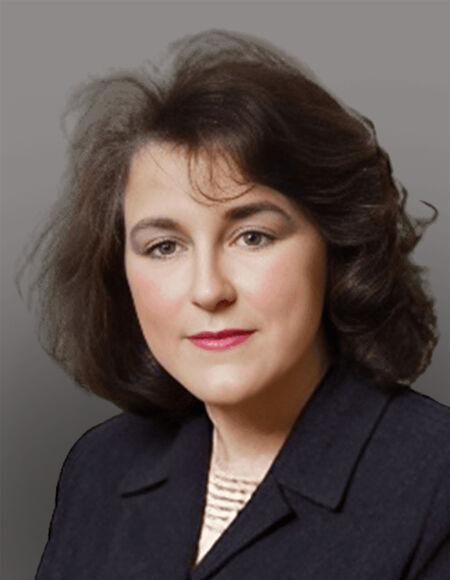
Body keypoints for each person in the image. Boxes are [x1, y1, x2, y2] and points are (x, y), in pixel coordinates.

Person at [18, 29, 449, 579]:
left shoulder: (437, 481)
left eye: (252, 237)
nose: (208, 289)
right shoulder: (100, 467)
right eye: (164, 247)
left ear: (337, 245)